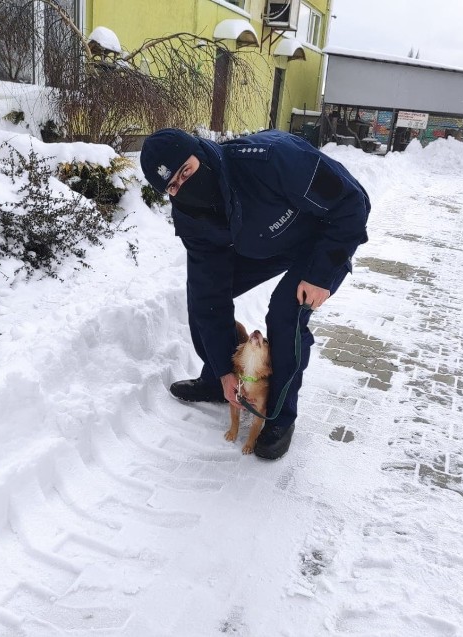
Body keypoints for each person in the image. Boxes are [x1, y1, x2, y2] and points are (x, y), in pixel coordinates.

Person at [140, 128, 370, 460]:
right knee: (202, 297)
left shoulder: (272, 161)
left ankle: (278, 414)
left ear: (200, 155)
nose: (183, 187)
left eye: (186, 172)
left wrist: (321, 273)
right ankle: (221, 381)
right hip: (263, 241)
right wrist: (223, 368)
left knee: (285, 311)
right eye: (173, 186)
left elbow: (351, 203)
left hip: (325, 234)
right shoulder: (191, 216)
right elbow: (210, 292)